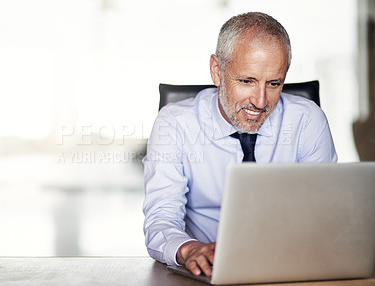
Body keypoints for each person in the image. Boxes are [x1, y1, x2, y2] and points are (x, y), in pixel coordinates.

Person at [143, 12, 337, 278]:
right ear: (217, 71)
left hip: (288, 269)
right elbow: (161, 218)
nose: (260, 101)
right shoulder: (174, 124)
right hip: (205, 274)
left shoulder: (307, 120)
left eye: (274, 83)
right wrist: (189, 250)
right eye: (247, 81)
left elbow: (325, 215)